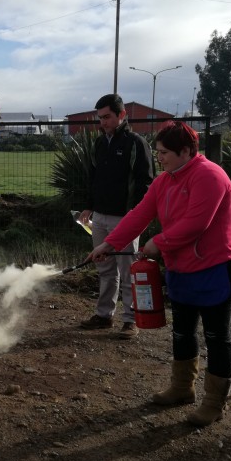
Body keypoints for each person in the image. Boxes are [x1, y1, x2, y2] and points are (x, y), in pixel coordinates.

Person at [87, 120, 231, 426]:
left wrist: (157, 242)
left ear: (185, 151)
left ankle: (214, 403)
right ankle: (182, 388)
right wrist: (109, 243)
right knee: (182, 331)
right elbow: (139, 215)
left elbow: (196, 223)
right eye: (158, 152)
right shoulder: (165, 181)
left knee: (216, 336)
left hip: (215, 270)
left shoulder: (210, 176)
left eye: (164, 153)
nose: (159, 158)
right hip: (181, 270)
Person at [77, 93, 154, 339]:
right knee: (104, 268)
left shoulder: (136, 144)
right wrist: (89, 206)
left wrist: (135, 215)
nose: (103, 122)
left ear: (122, 115)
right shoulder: (100, 144)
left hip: (126, 219)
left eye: (107, 117)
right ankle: (104, 315)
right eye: (100, 118)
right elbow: (94, 178)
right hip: (99, 216)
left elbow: (146, 183)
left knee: (129, 269)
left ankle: (131, 320)